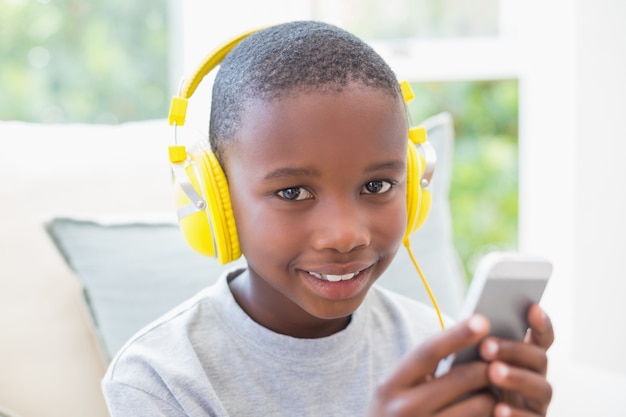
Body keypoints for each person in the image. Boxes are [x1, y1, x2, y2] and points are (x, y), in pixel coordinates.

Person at [102, 21, 553, 417]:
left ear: (413, 184)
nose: (345, 235)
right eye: (292, 192)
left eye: (376, 186)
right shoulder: (159, 380)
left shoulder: (435, 348)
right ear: (215, 203)